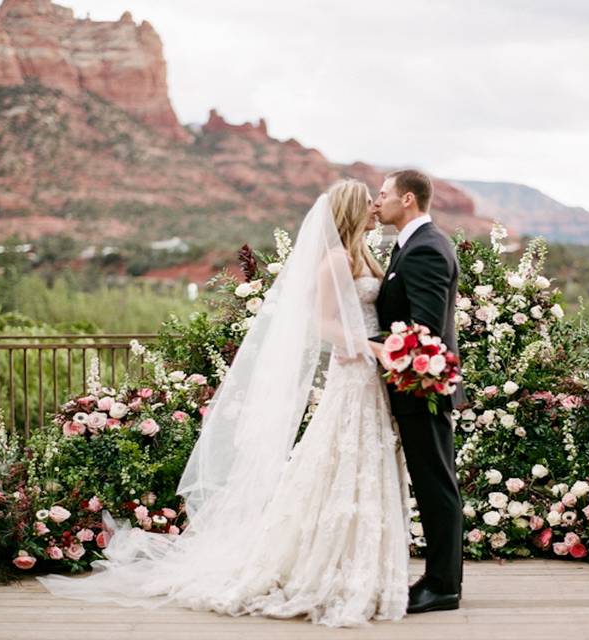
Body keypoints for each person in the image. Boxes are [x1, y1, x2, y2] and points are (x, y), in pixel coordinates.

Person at [38, 179, 411, 628]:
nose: (376, 206)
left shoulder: (363, 253)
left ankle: (357, 565)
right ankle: (318, 566)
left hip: (369, 378)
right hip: (353, 373)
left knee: (359, 461)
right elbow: (324, 325)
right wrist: (371, 349)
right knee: (336, 457)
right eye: (369, 201)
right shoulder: (333, 258)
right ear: (353, 209)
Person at [372, 169, 465, 613]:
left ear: (407, 199)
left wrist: (368, 346)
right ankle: (439, 578)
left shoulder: (425, 248)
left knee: (435, 486)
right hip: (414, 387)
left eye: (384, 194)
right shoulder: (412, 245)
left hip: (421, 388)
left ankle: (443, 584)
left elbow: (424, 332)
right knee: (433, 482)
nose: (379, 200)